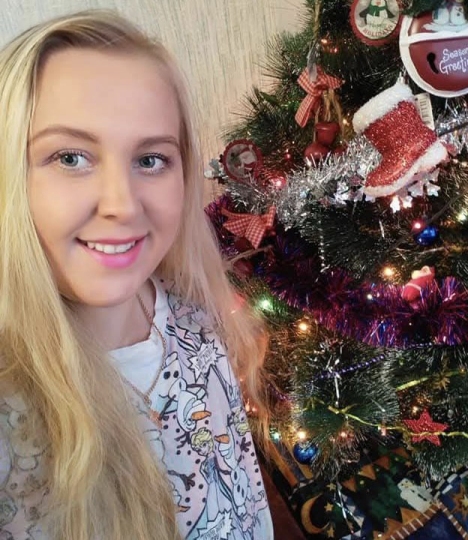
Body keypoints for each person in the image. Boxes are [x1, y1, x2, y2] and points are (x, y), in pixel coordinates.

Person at [0, 9, 273, 540]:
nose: (122, 206)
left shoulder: (199, 321)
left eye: (150, 160)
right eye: (71, 157)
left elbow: (245, 498)